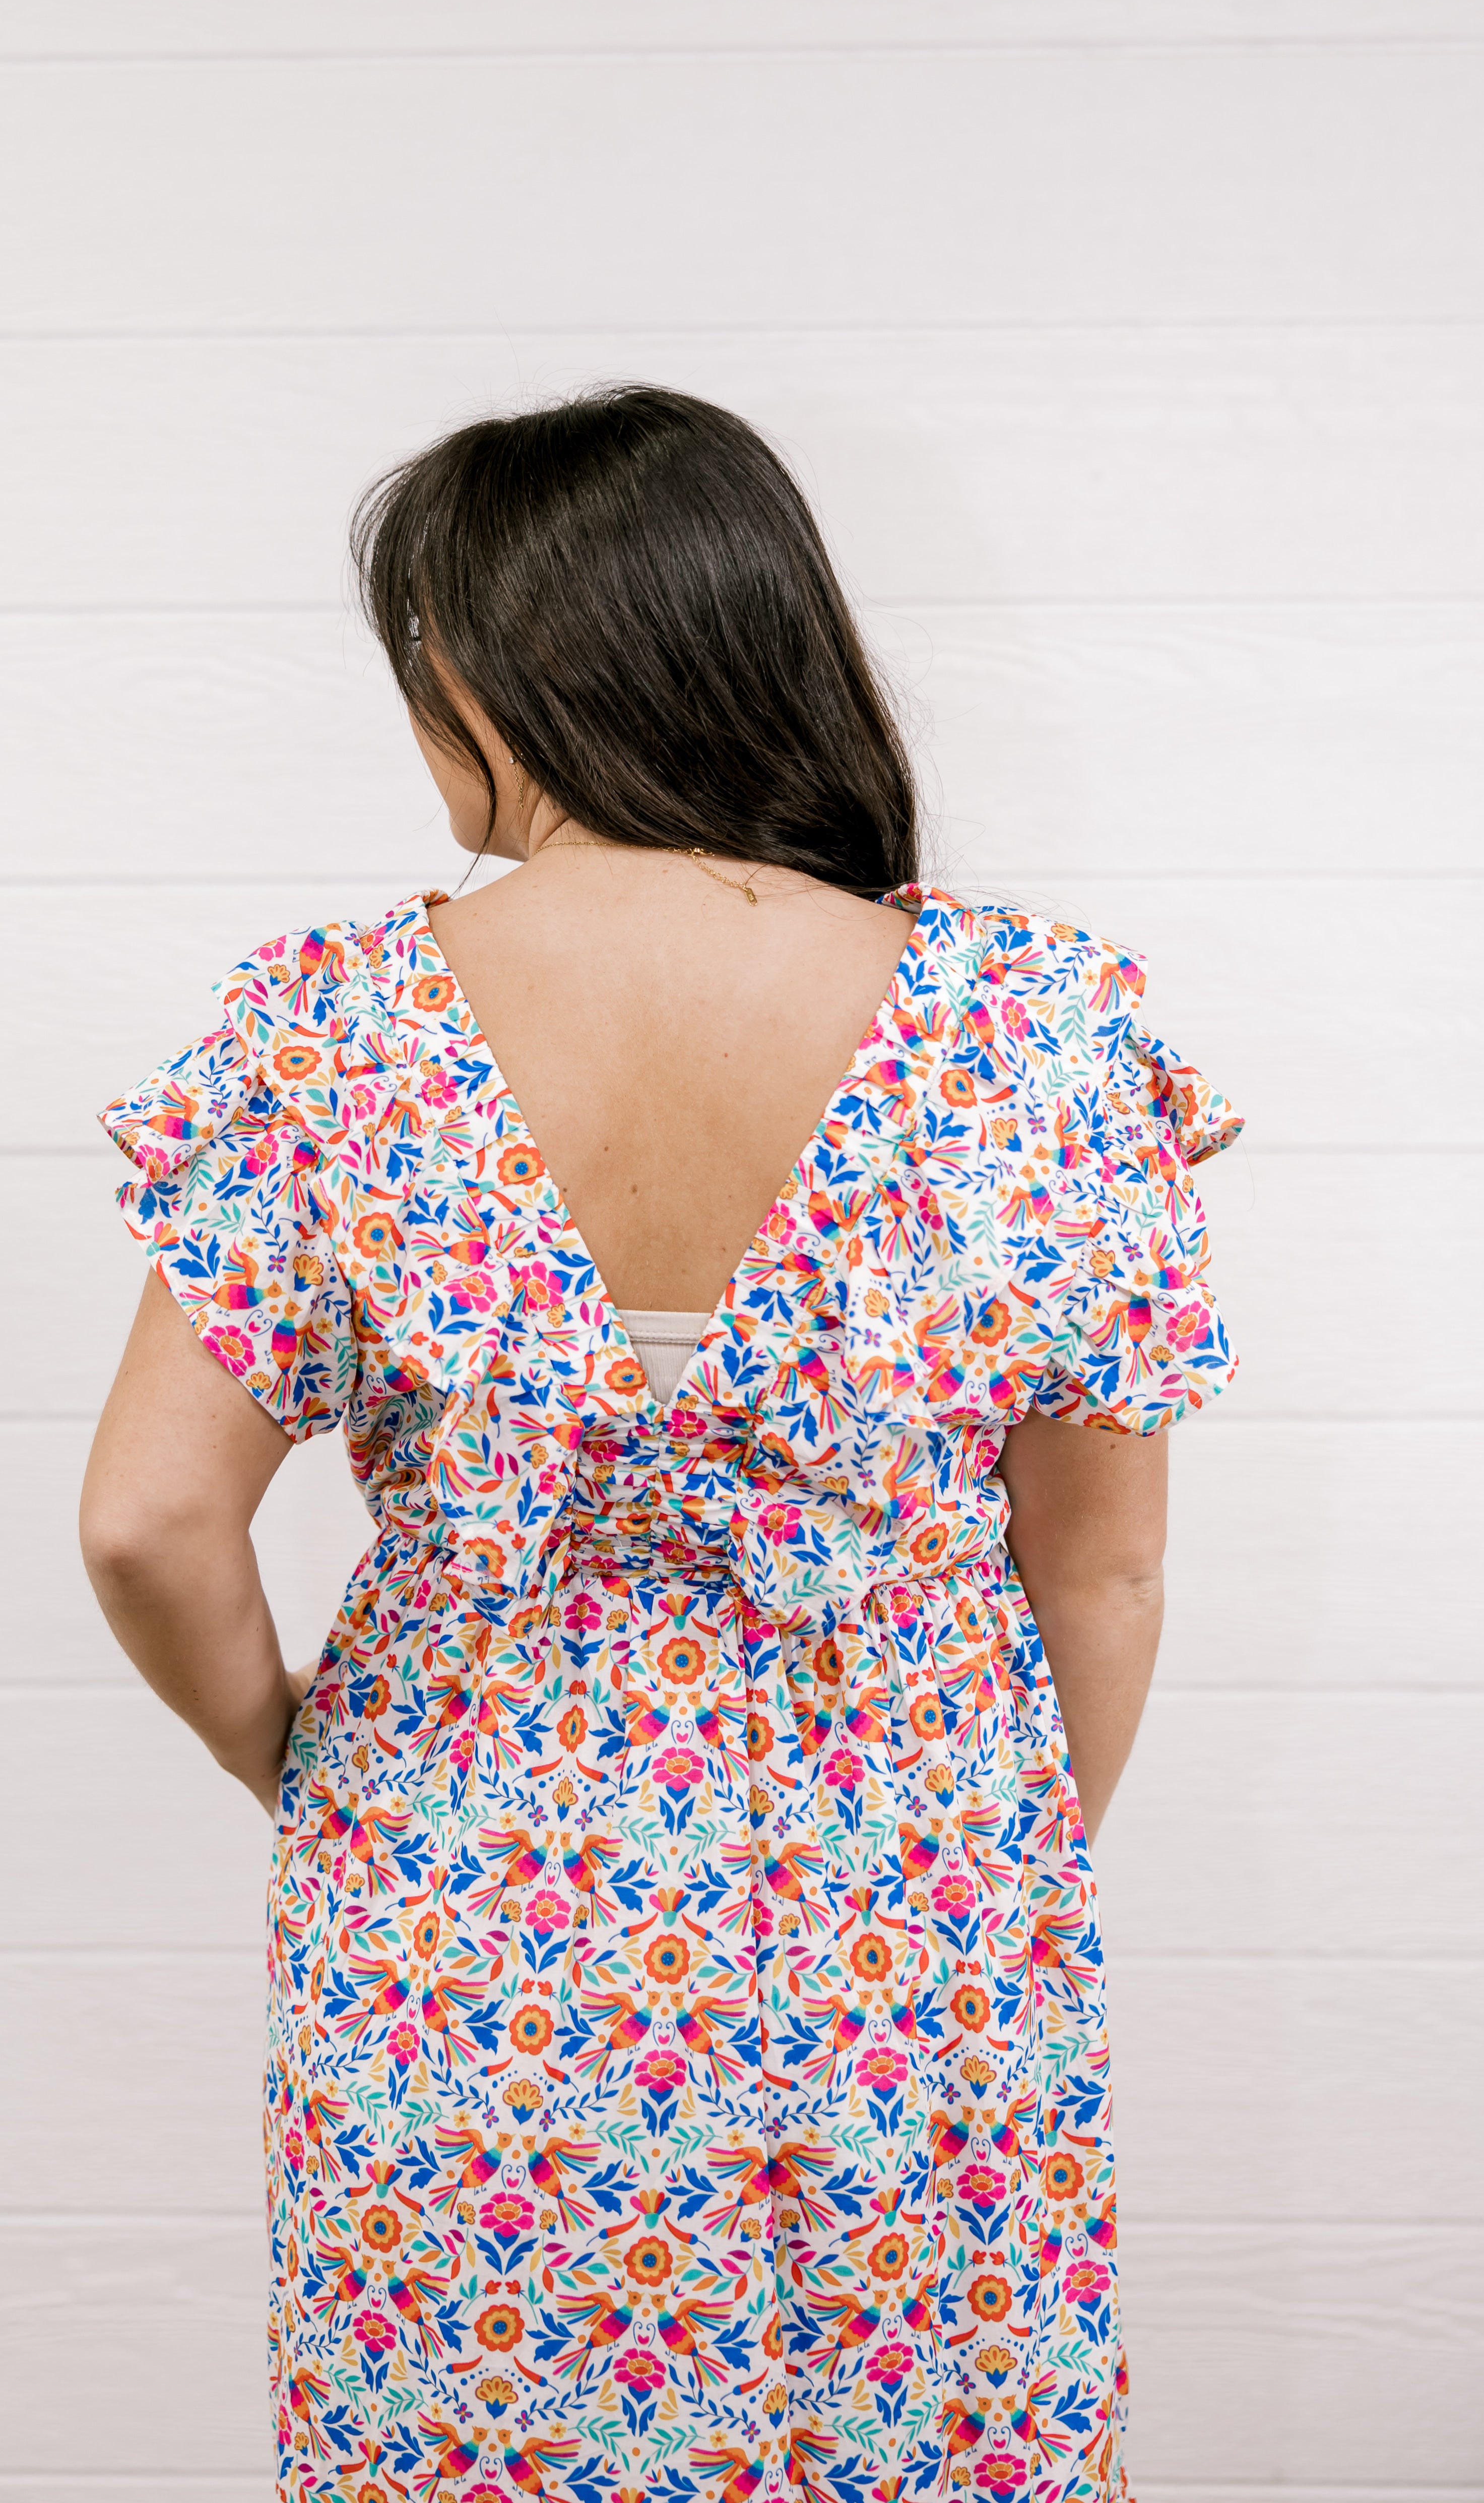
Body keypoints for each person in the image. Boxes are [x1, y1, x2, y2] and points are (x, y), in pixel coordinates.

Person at [80, 386, 1239, 2500]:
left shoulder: (332, 1036)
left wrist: (323, 1770)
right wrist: (973, 1838)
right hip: (917, 1911)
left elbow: (153, 1523)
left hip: (467, 1933)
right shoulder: (1040, 1035)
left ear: (478, 671)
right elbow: (1109, 1567)